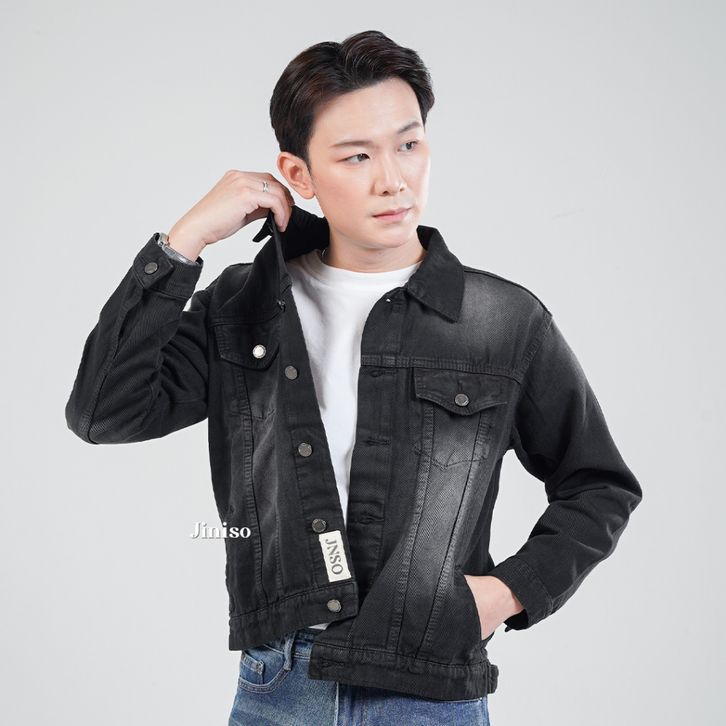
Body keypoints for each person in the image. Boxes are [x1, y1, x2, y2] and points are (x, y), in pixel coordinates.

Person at [65, 29, 643, 726]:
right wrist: (183, 241)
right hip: (276, 686)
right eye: (357, 155)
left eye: (409, 144)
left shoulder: (500, 321)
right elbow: (103, 413)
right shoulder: (243, 306)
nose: (393, 179)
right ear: (299, 173)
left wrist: (506, 594)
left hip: (429, 693)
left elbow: (598, 485)